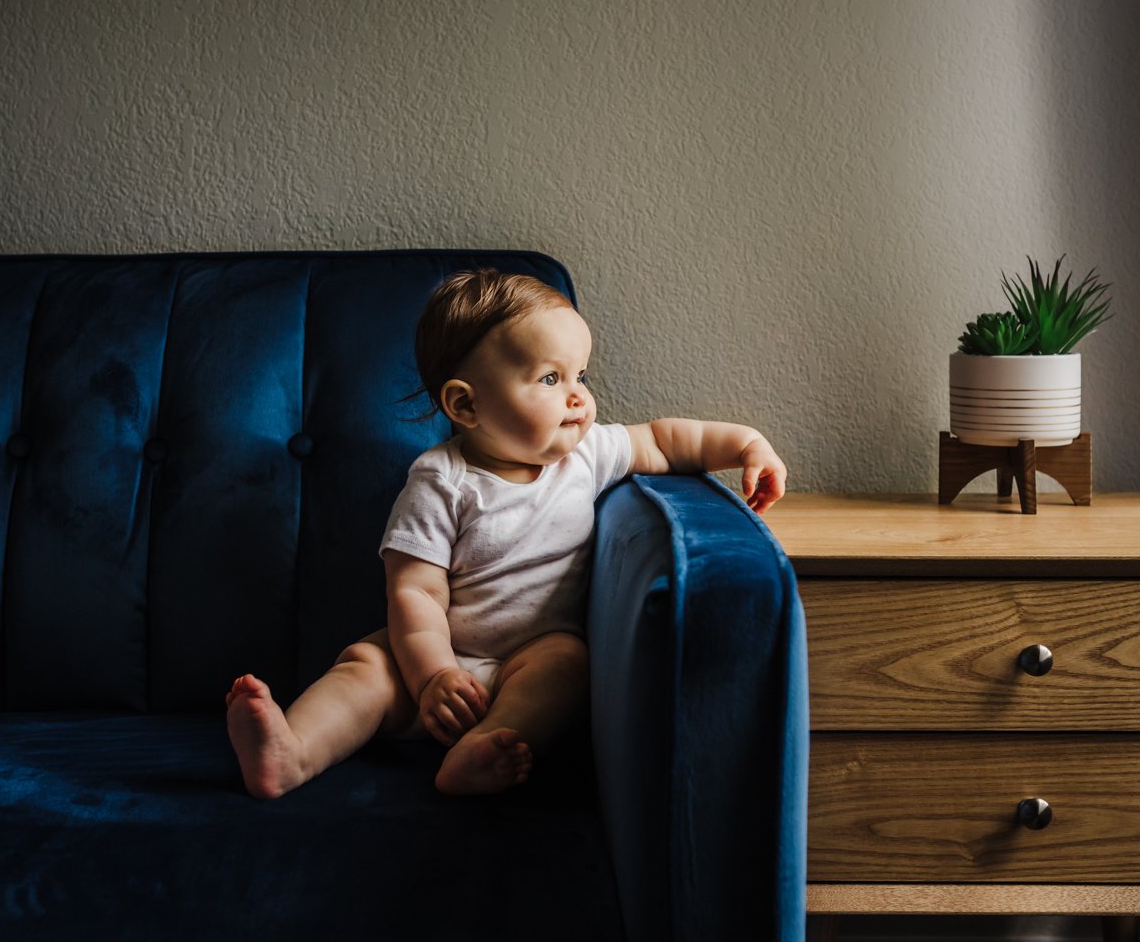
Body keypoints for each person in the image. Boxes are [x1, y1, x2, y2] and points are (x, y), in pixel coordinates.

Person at [226, 269, 787, 798]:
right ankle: (290, 754)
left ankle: (476, 753)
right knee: (363, 668)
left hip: (527, 656)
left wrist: (746, 446)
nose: (578, 397)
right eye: (551, 378)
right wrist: (433, 677)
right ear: (466, 403)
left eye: (580, 376)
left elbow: (667, 441)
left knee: (566, 661)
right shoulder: (440, 480)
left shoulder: (587, 454)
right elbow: (414, 591)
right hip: (431, 660)